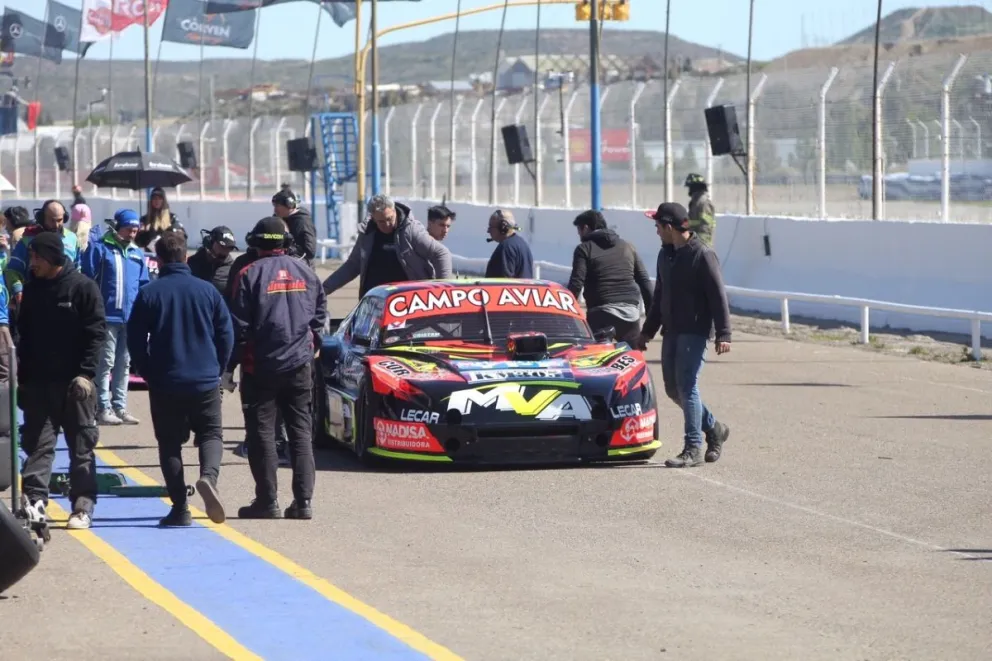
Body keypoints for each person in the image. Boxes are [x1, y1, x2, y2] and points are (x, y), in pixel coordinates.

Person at [127, 232, 234, 527]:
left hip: (166, 380)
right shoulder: (207, 291)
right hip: (205, 378)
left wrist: (147, 371)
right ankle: (208, 477)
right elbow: (226, 334)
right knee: (211, 433)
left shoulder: (149, 293)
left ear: (158, 261)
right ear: (186, 257)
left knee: (169, 443)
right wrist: (218, 367)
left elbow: (135, 339)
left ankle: (180, 508)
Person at [230, 217, 327, 520]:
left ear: (256, 244)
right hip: (300, 364)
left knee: (262, 435)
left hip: (261, 368)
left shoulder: (248, 273)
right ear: (285, 243)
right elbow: (320, 315)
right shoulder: (306, 271)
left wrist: (230, 365)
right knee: (300, 433)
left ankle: (267, 501)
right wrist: (311, 343)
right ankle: (304, 502)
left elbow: (238, 326)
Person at [18, 232, 106, 530]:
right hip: (40, 386)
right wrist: (23, 381)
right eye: (31, 256)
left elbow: (96, 334)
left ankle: (82, 507)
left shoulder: (83, 287)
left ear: (53, 257)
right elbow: (24, 336)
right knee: (38, 447)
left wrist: (86, 374)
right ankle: (34, 503)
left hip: (77, 387)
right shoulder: (32, 290)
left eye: (37, 257)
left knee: (82, 449)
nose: (32, 262)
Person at [638, 202, 731, 468]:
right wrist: (647, 331)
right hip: (672, 330)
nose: (656, 231)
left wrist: (724, 333)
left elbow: (718, 296)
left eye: (658, 226)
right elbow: (659, 296)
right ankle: (714, 428)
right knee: (672, 389)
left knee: (688, 387)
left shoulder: (703, 255)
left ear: (669, 227)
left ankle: (693, 448)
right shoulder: (665, 255)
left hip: (695, 331)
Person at [223, 219, 293, 467]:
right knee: (260, 404)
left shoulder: (293, 263)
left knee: (278, 402)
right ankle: (258, 441)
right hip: (264, 348)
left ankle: (278, 443)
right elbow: (234, 310)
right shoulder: (244, 266)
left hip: (274, 348)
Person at [81, 209, 150, 425]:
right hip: (107, 317)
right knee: (106, 362)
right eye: (128, 229)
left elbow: (143, 284)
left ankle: (120, 407)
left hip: (130, 319)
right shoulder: (101, 248)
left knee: (125, 363)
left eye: (135, 230)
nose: (132, 234)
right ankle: (102, 408)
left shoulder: (137, 253)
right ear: (117, 227)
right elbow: (87, 278)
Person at [322, 193, 451, 298]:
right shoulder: (367, 233)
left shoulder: (411, 230)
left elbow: (441, 253)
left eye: (389, 219)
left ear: (394, 211)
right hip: (374, 301)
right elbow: (352, 265)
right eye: (381, 221)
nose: (387, 224)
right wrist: (323, 290)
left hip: (409, 301)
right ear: (373, 218)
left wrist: (442, 292)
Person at [566, 210, 653, 347]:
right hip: (630, 314)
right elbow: (645, 282)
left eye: (579, 230)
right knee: (632, 357)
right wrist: (651, 322)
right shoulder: (628, 247)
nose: (579, 235)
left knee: (596, 357)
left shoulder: (584, 249)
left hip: (601, 313)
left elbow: (576, 284)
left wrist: (566, 312)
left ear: (586, 228)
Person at [5, 200, 80, 311]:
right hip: (36, 301)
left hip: (66, 302)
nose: (56, 225)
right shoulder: (28, 240)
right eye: (52, 220)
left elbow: (77, 269)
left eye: (59, 220)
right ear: (41, 218)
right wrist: (18, 290)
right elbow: (12, 270)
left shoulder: (72, 239)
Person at [272, 188, 317, 265]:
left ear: (289, 205)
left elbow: (310, 252)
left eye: (277, 206)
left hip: (300, 265)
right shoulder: (279, 218)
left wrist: (288, 248)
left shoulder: (303, 222)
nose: (275, 209)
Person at [188, 225, 238, 295]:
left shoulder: (233, 268)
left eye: (230, 248)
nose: (225, 251)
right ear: (210, 242)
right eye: (222, 246)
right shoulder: (192, 263)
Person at [484, 209, 534, 279]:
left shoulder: (506, 247)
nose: (488, 231)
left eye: (491, 227)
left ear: (503, 227)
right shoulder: (522, 244)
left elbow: (503, 281)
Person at [685, 173, 716, 247]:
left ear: (695, 187)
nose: (689, 190)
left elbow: (706, 226)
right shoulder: (696, 203)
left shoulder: (704, 203)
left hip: (702, 245)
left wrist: (699, 244)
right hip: (693, 243)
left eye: (691, 187)